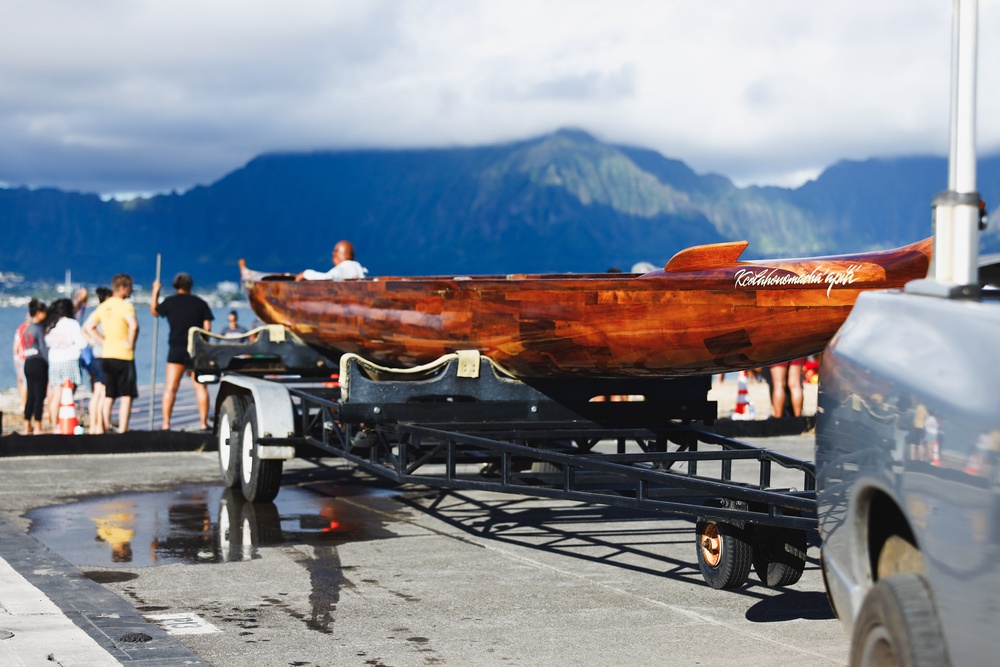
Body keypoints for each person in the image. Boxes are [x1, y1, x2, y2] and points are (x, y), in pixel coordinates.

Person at [150, 272, 214, 431]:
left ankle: (166, 423)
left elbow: (155, 311)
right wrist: (204, 345)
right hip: (196, 349)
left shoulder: (170, 302)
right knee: (200, 387)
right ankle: (203, 423)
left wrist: (155, 291)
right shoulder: (200, 303)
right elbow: (207, 328)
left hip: (176, 349)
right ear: (190, 286)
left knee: (170, 387)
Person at [83, 274, 139, 433]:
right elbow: (133, 326)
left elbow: (88, 326)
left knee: (109, 395)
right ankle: (122, 430)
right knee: (126, 396)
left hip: (107, 355)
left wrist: (102, 341)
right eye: (130, 287)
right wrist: (130, 343)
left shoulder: (104, 306)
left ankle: (104, 428)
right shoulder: (125, 305)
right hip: (123, 355)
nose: (131, 290)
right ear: (123, 288)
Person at [43, 298, 89, 430]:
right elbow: (82, 343)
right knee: (68, 393)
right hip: (70, 360)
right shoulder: (72, 323)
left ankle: (54, 427)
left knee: (56, 393)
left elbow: (47, 343)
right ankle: (66, 425)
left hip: (54, 361)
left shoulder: (51, 324)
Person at [81, 286, 112, 434]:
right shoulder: (106, 313)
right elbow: (87, 328)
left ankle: (94, 426)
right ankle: (101, 427)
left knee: (96, 393)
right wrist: (102, 341)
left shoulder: (96, 312)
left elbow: (84, 329)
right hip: (104, 357)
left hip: (95, 357)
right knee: (104, 394)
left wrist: (91, 341)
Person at [21, 299, 48, 435]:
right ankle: (38, 426)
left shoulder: (27, 329)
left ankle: (27, 425)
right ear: (38, 313)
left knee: (30, 395)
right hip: (39, 363)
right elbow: (43, 349)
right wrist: (49, 362)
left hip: (28, 362)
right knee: (39, 396)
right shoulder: (39, 328)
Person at [295, 240, 368, 281]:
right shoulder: (358, 267)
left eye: (336, 251)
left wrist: (305, 274)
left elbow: (326, 278)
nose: (333, 254)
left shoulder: (342, 268)